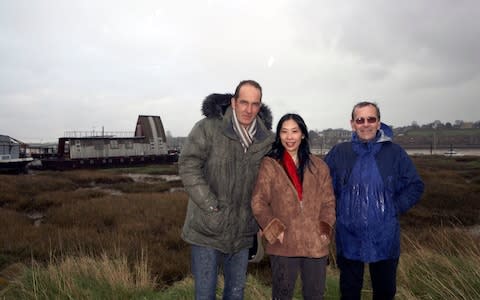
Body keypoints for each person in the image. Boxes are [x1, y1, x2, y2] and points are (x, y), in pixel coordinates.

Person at [179, 80, 275, 300]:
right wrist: (210, 204)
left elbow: (270, 183)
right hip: (206, 227)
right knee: (205, 293)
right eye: (243, 102)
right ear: (233, 102)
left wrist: (262, 218)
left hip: (242, 232)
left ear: (260, 106)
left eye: (254, 104)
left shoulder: (266, 140)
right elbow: (188, 164)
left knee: (235, 292)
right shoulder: (208, 128)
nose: (248, 109)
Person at [324, 101, 424, 300]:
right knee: (350, 293)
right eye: (360, 120)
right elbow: (321, 186)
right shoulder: (339, 153)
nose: (366, 124)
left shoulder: (395, 153)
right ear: (352, 124)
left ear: (379, 122)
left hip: (385, 238)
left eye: (371, 119)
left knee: (385, 293)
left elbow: (415, 185)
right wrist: (337, 210)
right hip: (348, 237)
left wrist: (394, 207)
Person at [251, 113, 336, 300]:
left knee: (314, 295)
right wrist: (273, 228)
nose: (289, 137)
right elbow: (258, 202)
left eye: (294, 131)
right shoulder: (270, 164)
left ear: (303, 134)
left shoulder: (319, 166)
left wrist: (325, 229)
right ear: (279, 135)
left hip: (315, 245)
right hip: (284, 244)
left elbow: (329, 203)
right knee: (281, 295)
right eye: (284, 132)